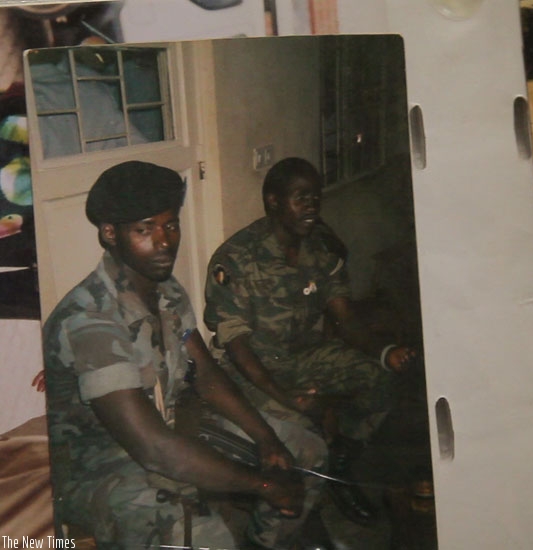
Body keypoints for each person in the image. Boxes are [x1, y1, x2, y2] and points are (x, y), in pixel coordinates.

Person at [42, 160, 328, 549]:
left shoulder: (167, 290)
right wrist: (261, 484)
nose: (164, 242)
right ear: (110, 234)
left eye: (170, 226)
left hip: (170, 424)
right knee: (198, 533)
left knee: (305, 450)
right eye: (145, 229)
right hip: (95, 462)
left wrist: (265, 438)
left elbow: (206, 375)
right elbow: (154, 450)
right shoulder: (89, 321)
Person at [204, 157, 417, 525]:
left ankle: (340, 467)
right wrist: (286, 397)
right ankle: (305, 516)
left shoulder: (321, 250)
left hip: (306, 354)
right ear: (273, 201)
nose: (312, 207)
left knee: (380, 379)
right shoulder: (235, 258)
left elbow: (345, 317)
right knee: (299, 433)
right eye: (300, 198)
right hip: (251, 369)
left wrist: (385, 352)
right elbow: (237, 348)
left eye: (316, 198)